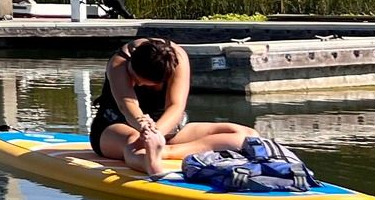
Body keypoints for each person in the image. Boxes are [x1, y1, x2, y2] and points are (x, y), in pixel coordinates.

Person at [93, 36, 258, 177]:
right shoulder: (119, 63)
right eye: (136, 79)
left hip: (164, 128)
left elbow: (176, 106)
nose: (138, 84)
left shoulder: (177, 58)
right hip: (118, 125)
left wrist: (155, 134)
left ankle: (164, 151)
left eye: (145, 83)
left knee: (248, 135)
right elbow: (127, 104)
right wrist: (145, 129)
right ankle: (151, 162)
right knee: (133, 144)